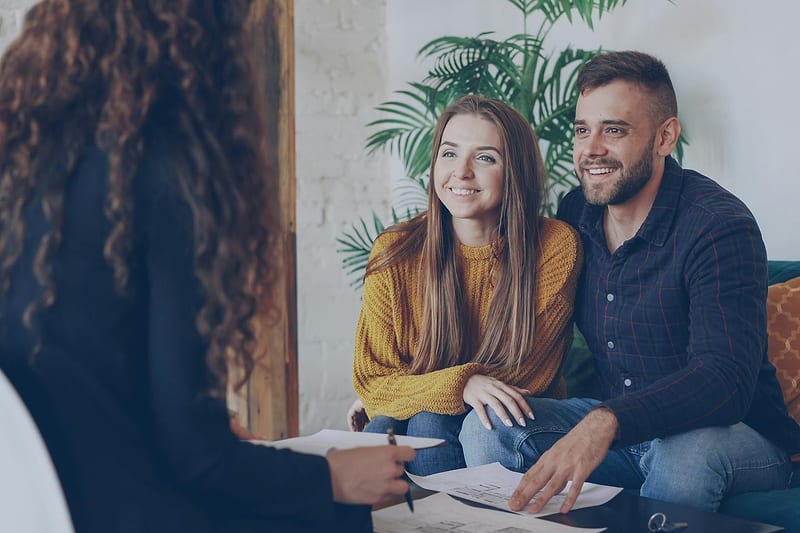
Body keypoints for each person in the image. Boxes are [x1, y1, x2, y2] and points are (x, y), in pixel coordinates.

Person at [0, 1, 414, 532]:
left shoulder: (24, 162)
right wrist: (331, 475)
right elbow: (196, 457)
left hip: (33, 501)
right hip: (119, 507)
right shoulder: (164, 174)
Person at [459, 50, 800, 513]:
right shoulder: (575, 213)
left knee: (685, 456)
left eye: (614, 130)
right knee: (487, 425)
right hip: (623, 434)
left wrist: (606, 421)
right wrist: (407, 383)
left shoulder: (718, 226)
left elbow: (725, 380)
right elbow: (511, 308)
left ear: (665, 137)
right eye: (583, 130)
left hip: (735, 439)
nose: (591, 148)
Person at [350, 94, 583, 475]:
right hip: (428, 422)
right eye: (449, 153)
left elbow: (525, 376)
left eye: (485, 157)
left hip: (511, 428)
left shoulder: (554, 246)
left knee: (426, 422)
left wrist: (418, 392)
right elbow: (374, 382)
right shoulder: (395, 251)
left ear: (515, 171)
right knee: (381, 429)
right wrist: (459, 383)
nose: (461, 172)